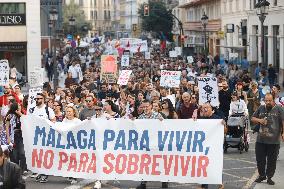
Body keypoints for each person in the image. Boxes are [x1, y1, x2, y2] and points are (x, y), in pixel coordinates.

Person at [251, 93, 284, 185]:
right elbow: (252, 118)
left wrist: (283, 133)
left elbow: (283, 120)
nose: (268, 102)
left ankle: (269, 177)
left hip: (274, 141)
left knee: (272, 161)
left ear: (273, 100)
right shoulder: (261, 108)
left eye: (269, 100)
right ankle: (262, 176)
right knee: (260, 159)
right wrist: (260, 120)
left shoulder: (279, 109)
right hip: (260, 140)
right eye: (266, 100)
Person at [29, 93, 56, 183]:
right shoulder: (32, 110)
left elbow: (53, 121)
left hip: (46, 136)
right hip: (35, 136)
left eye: (39, 98)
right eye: (36, 99)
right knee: (38, 155)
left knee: (45, 155)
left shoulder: (48, 110)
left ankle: (45, 174)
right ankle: (40, 172)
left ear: (43, 99)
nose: (37, 100)